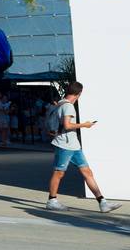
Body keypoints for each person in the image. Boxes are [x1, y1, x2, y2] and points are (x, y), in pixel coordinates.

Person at [45, 82, 121, 213]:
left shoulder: (60, 103)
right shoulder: (68, 107)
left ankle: (102, 202)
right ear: (79, 94)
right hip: (65, 144)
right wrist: (85, 125)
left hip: (73, 145)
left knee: (87, 172)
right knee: (59, 173)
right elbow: (67, 125)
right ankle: (52, 201)